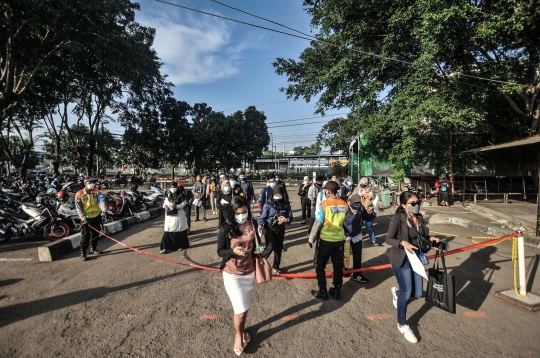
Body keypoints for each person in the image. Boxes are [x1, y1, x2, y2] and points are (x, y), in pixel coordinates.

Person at [217, 196, 272, 356]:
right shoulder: (225, 227)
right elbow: (220, 250)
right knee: (240, 311)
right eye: (238, 213)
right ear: (232, 213)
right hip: (232, 273)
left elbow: (257, 244)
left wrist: (258, 250)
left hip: (249, 272)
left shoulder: (253, 224)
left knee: (244, 310)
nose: (242, 215)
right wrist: (232, 251)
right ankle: (239, 335)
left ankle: (241, 329)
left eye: (245, 212)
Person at [386, 191, 440, 343]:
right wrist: (403, 243)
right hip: (402, 259)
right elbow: (388, 239)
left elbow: (421, 236)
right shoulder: (398, 219)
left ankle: (397, 294)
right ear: (404, 205)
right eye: (413, 203)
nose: (416, 205)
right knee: (407, 291)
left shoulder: (419, 218)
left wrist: (431, 240)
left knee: (417, 293)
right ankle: (402, 324)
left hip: (417, 259)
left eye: (418, 202)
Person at [308, 181, 348, 300]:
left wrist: (311, 238)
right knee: (338, 266)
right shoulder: (344, 204)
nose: (325, 191)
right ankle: (336, 291)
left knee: (320, 266)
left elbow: (319, 222)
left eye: (325, 190)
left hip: (326, 240)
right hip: (339, 240)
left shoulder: (324, 204)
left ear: (328, 191)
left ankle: (323, 291)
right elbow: (344, 220)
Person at [257, 184, 293, 274]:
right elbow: (263, 216)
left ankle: (276, 267)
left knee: (278, 248)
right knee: (270, 246)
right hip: (270, 227)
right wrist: (260, 225)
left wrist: (286, 219)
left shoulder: (286, 204)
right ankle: (258, 261)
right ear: (273, 195)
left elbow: (290, 217)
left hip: (280, 228)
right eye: (276, 195)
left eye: (279, 195)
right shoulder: (268, 204)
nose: (278, 197)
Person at [343, 194, 376, 283]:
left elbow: (368, 218)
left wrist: (372, 211)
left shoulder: (361, 208)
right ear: (350, 202)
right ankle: (345, 271)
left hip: (357, 235)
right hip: (345, 235)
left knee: (357, 255)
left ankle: (357, 274)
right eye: (355, 204)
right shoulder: (344, 208)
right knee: (345, 254)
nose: (356, 206)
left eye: (358, 204)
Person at [75, 178, 107, 261]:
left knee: (95, 233)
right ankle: (83, 253)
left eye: (93, 183)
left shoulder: (97, 192)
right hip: (86, 218)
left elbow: (101, 202)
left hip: (96, 216)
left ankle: (93, 248)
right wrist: (83, 218)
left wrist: (104, 211)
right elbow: (79, 208)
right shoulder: (80, 193)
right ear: (85, 184)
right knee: (85, 236)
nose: (92, 184)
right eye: (90, 183)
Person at [160, 181, 190, 253]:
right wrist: (164, 206)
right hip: (169, 216)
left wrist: (176, 206)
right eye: (171, 187)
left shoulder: (181, 194)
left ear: (176, 187)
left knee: (179, 231)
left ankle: (180, 246)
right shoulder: (168, 194)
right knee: (168, 231)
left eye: (174, 187)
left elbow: (183, 203)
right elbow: (165, 202)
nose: (172, 188)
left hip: (178, 215)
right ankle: (165, 247)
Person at [355, 177, 377, 245]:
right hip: (359, 210)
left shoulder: (370, 189)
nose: (363, 185)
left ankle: (373, 240)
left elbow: (375, 200)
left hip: (368, 210)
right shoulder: (357, 189)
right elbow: (352, 199)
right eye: (362, 183)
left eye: (365, 184)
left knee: (369, 225)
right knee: (358, 225)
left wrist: (372, 207)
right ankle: (357, 240)